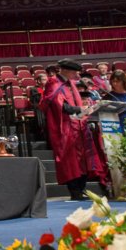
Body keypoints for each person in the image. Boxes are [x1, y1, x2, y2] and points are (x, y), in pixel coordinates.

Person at [38, 59, 110, 201]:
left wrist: (85, 110)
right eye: (73, 72)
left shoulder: (71, 83)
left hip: (78, 125)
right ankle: (75, 190)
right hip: (64, 126)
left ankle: (81, 188)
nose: (76, 75)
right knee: (70, 159)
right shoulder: (54, 82)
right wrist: (79, 109)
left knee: (82, 159)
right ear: (64, 70)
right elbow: (58, 104)